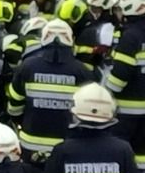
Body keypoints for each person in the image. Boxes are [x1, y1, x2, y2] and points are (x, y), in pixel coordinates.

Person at [7, 17, 91, 159]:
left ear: (43, 38)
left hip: (31, 144)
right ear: (71, 39)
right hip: (68, 145)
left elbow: (14, 107)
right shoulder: (82, 71)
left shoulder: (27, 67)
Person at [101, 0, 145, 167]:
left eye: (120, 9)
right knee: (141, 150)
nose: (119, 14)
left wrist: (105, 93)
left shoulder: (130, 37)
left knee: (118, 150)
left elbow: (121, 75)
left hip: (127, 108)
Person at [75, 0, 117, 65]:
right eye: (91, 7)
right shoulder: (83, 20)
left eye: (96, 8)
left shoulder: (112, 24)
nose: (92, 11)